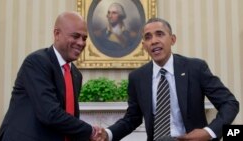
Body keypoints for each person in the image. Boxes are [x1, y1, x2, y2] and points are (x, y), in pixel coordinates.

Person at [100, 18, 239, 141]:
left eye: (159, 34)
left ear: (172, 39)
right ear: (144, 46)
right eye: (148, 37)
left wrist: (208, 132)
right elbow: (132, 119)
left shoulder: (195, 68)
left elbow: (229, 103)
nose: (154, 41)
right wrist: (108, 133)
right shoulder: (137, 77)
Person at [0, 11, 105, 141]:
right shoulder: (37, 62)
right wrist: (90, 131)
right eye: (75, 36)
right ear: (56, 34)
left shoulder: (76, 75)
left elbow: (69, 119)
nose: (81, 43)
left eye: (84, 38)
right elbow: (50, 114)